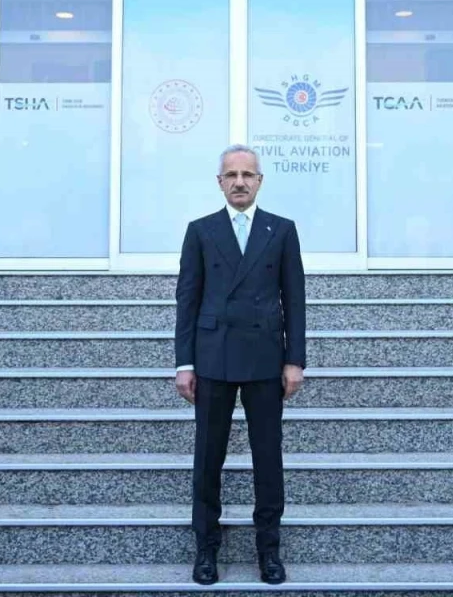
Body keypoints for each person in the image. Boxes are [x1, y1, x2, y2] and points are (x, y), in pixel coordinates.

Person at [174, 144, 306, 586]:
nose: (239, 182)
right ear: (219, 182)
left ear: (260, 181)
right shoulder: (200, 231)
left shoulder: (281, 230)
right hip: (212, 358)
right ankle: (205, 548)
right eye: (231, 175)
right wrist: (184, 362)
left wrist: (295, 360)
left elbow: (295, 300)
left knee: (268, 459)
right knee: (207, 459)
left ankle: (269, 550)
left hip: (265, 359)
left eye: (248, 174)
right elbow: (187, 299)